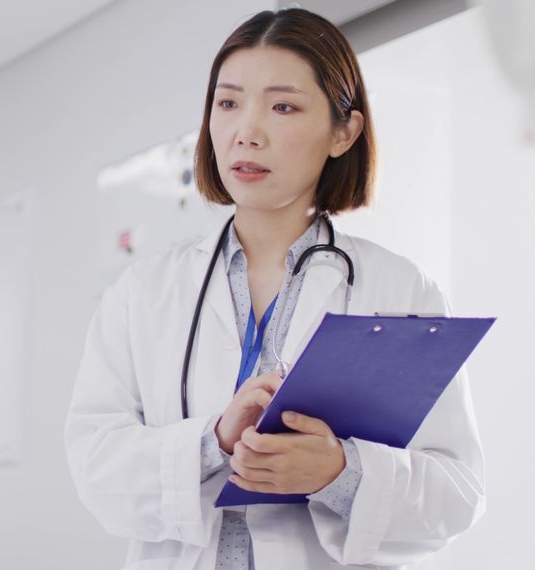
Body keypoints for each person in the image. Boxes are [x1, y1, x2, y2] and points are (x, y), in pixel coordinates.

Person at [64, 9, 484, 570]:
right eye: (229, 102)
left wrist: (339, 472)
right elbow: (95, 467)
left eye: (283, 106)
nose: (247, 131)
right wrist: (213, 440)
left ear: (344, 132)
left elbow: (457, 494)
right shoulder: (142, 293)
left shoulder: (402, 288)